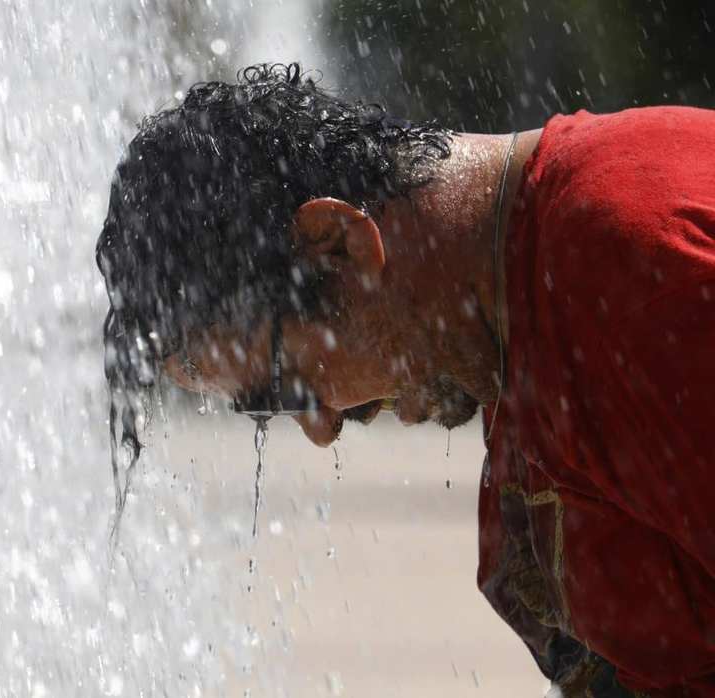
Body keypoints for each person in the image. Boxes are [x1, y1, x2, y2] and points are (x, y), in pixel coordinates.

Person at [95, 63, 715, 696]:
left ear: (339, 245)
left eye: (286, 387)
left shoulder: (627, 276)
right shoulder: (537, 327)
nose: (320, 428)